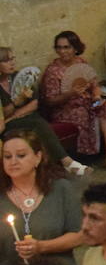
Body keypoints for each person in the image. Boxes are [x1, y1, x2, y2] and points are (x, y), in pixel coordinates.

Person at [0, 131, 83, 265]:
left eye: (21, 155)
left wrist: (41, 247)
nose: (13, 161)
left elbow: (78, 235)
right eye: (7, 156)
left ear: (38, 157)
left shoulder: (61, 189)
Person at [1, 46, 87, 175]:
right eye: (6, 60)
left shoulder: (21, 77)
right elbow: (4, 113)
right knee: (38, 124)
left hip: (26, 117)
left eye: (12, 59)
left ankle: (55, 169)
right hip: (7, 125)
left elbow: (34, 103)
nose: (12, 63)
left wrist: (15, 113)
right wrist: (17, 102)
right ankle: (66, 162)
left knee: (36, 122)